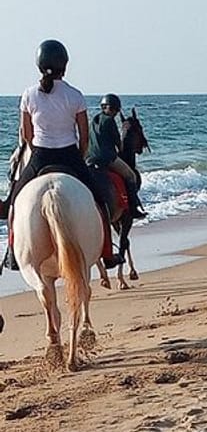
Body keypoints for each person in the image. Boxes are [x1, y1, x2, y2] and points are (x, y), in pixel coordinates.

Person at [1, 40, 123, 271]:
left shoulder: (28, 95)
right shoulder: (75, 95)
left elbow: (27, 135)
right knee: (101, 203)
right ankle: (107, 254)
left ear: (39, 65)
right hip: (69, 156)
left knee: (14, 205)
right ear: (64, 66)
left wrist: (37, 147)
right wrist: (78, 156)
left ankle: (11, 253)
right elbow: (84, 137)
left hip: (39, 157)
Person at [88, 93, 148, 219]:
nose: (114, 113)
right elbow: (119, 144)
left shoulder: (94, 119)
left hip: (90, 158)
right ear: (115, 109)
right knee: (131, 175)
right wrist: (124, 132)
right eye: (115, 110)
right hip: (107, 158)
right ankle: (133, 208)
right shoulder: (110, 121)